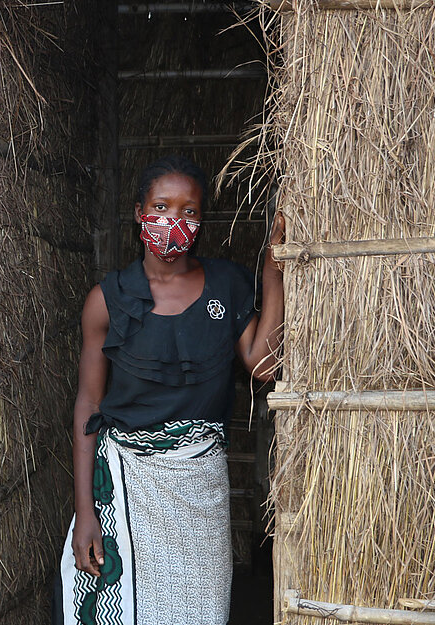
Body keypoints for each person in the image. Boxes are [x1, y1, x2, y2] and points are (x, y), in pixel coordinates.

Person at [57, 155, 284, 625]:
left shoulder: (227, 284)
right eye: (161, 207)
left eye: (189, 212)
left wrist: (272, 269)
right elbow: (89, 403)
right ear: (140, 212)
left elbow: (263, 364)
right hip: (125, 482)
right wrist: (85, 513)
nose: (173, 222)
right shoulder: (107, 300)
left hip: (199, 486)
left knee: (201, 610)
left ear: (201, 221)